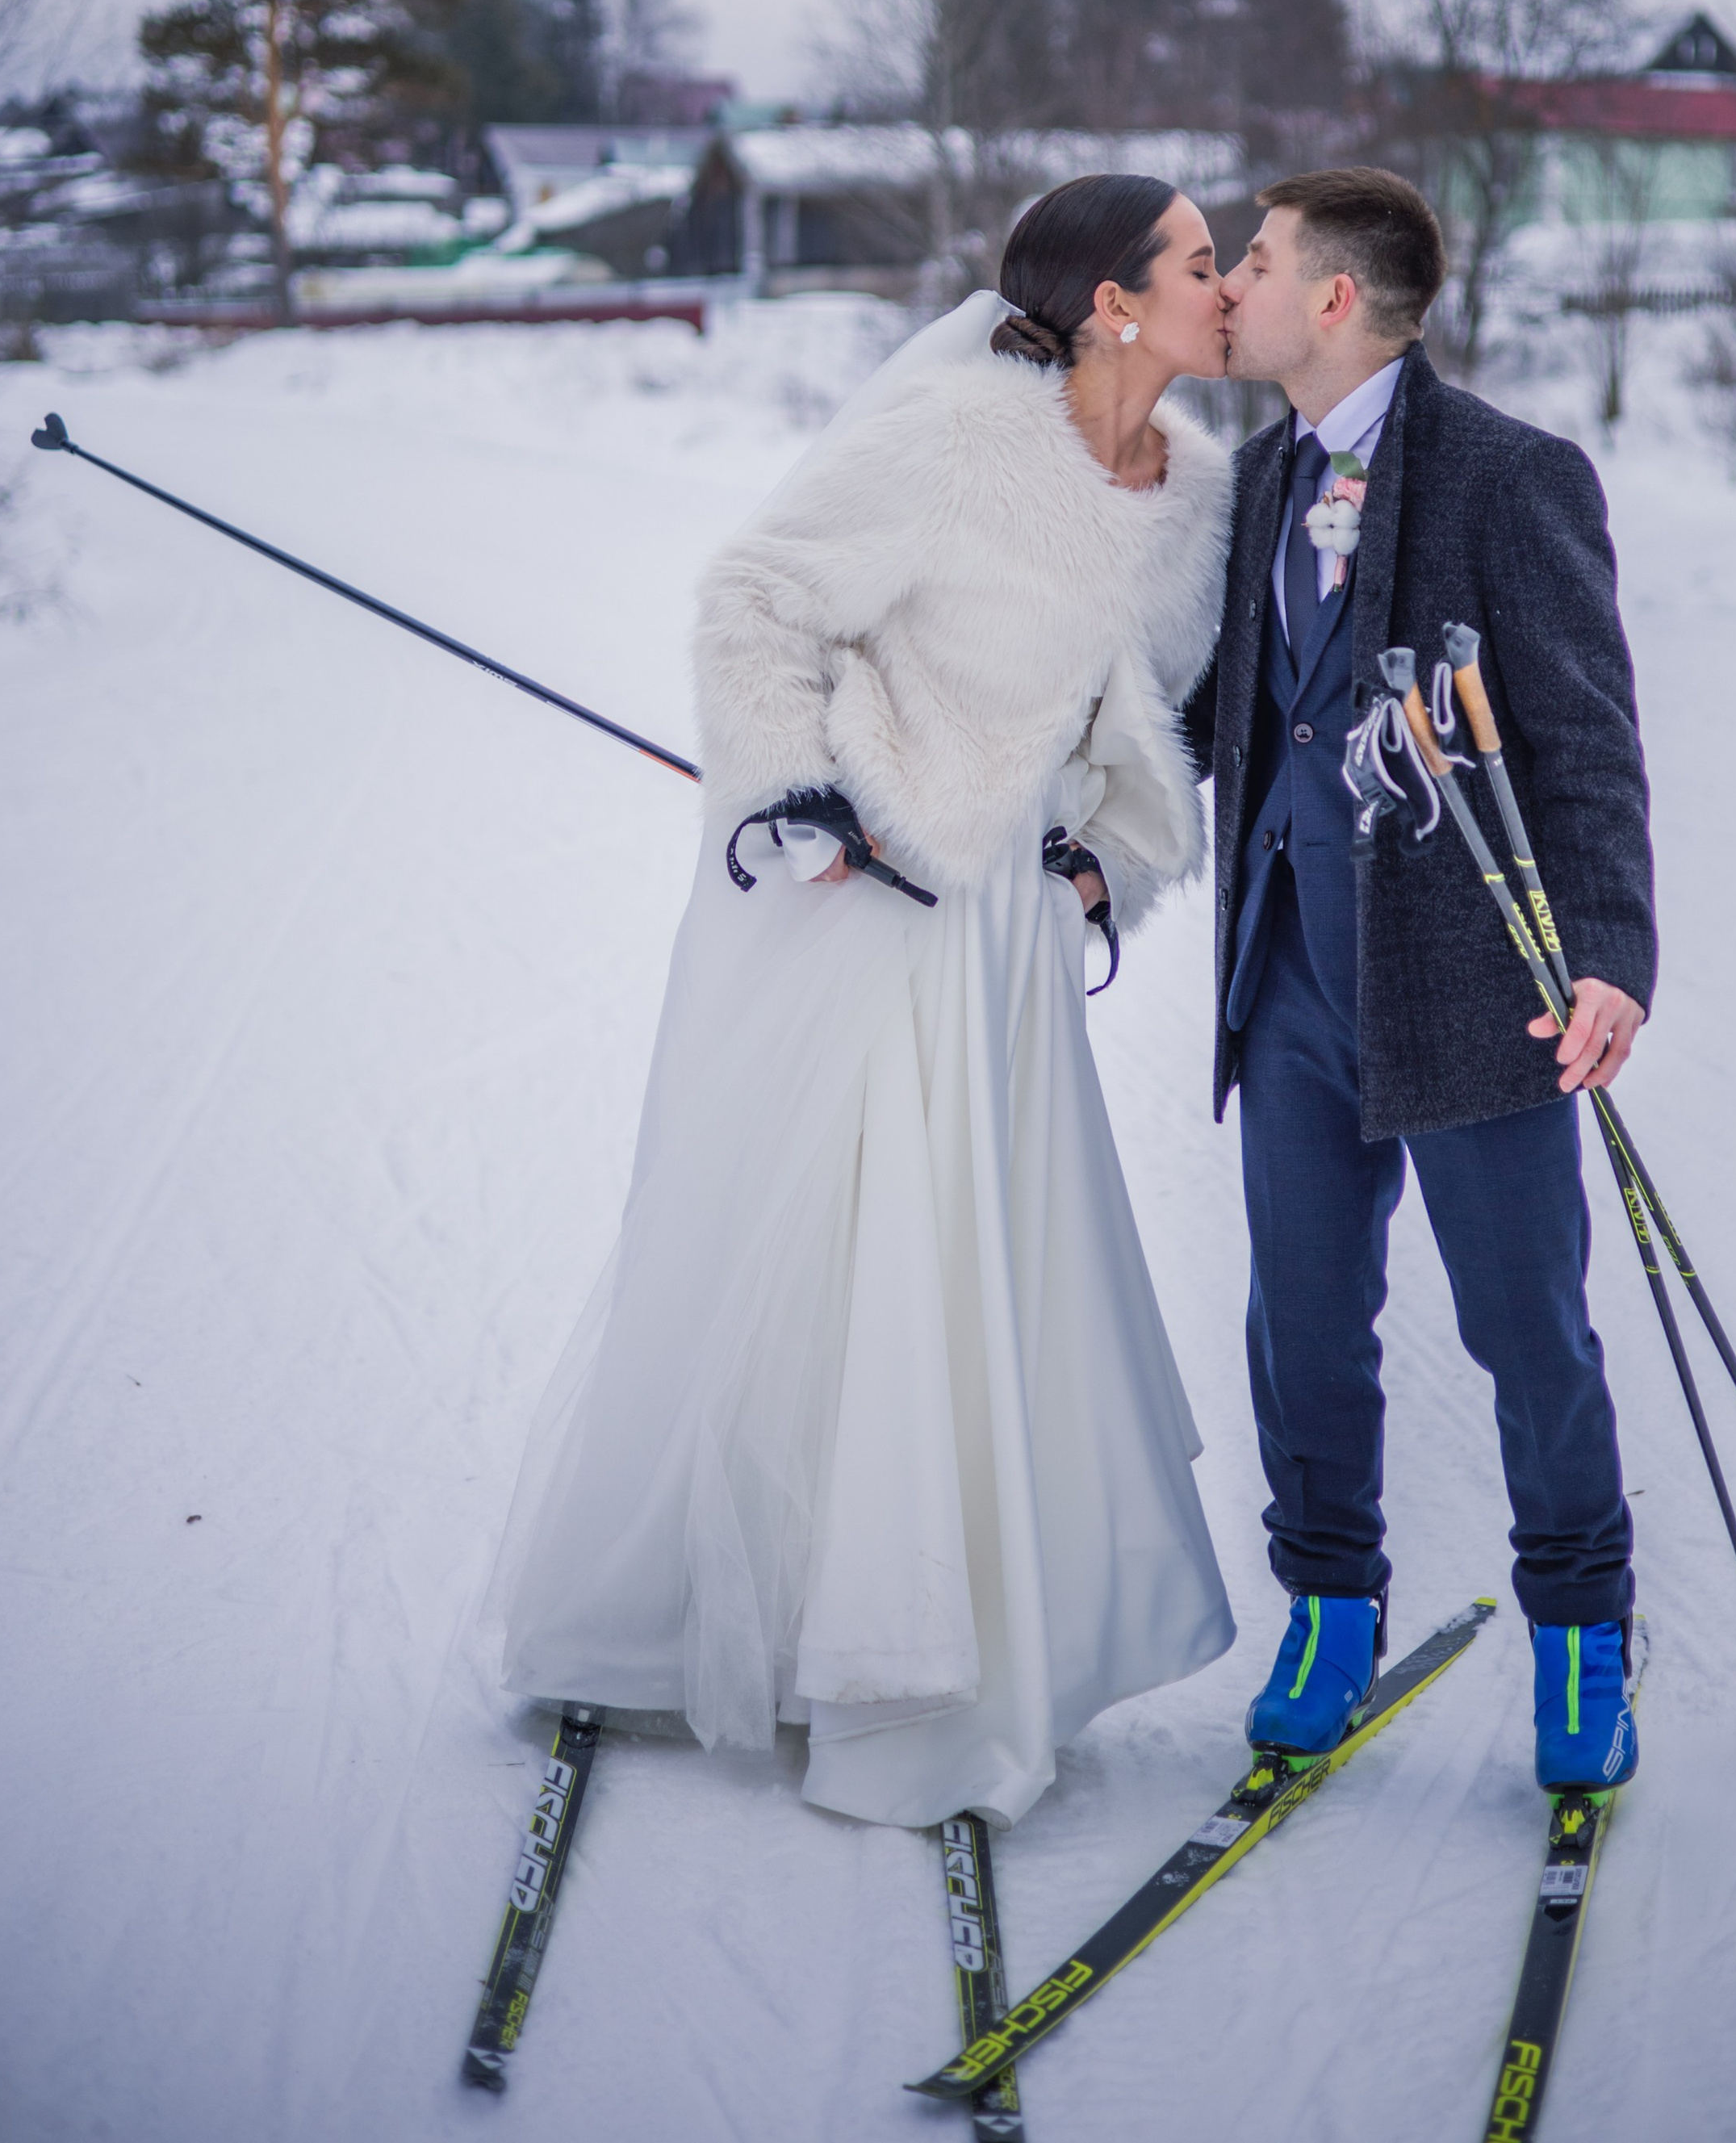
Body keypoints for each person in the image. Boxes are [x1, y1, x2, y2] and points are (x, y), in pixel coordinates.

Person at [494, 176, 1237, 1828]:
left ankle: (984, 1640)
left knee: (991, 1289)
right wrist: (801, 791)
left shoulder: (1194, 492)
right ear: (1114, 302)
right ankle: (840, 1654)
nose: (1228, 283)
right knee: (869, 1278)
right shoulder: (954, 444)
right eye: (1201, 261)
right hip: (878, 913)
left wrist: (1105, 870)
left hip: (1012, 951)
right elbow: (755, 597)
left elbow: (1142, 729)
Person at [1186, 166, 1655, 1792]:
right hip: (1285, 980)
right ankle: (1328, 1607)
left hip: (1476, 987)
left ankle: (1582, 1633)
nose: (1227, 284)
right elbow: (1214, 720)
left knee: (1525, 1328)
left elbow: (1586, 741)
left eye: (1253, 260)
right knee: (1303, 1321)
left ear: (1333, 295)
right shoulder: (1256, 479)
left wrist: (1610, 959)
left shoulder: (1509, 476)